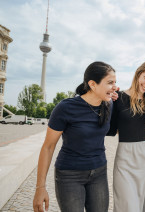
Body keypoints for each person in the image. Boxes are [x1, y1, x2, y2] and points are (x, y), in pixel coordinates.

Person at [33, 62, 117, 212]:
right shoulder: (65, 108)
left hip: (99, 173)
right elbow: (48, 147)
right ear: (92, 84)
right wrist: (40, 187)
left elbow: (113, 128)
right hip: (69, 176)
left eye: (115, 83)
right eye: (110, 82)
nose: (114, 87)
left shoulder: (108, 105)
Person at [107, 61, 145, 212]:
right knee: (127, 206)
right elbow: (110, 130)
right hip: (124, 158)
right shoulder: (117, 98)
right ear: (139, 73)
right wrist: (106, 103)